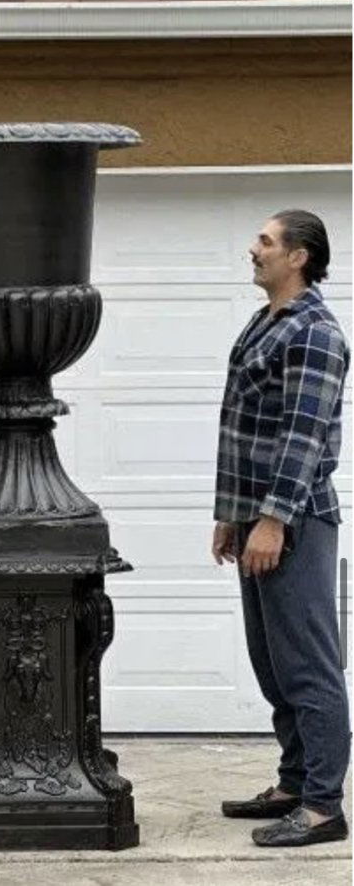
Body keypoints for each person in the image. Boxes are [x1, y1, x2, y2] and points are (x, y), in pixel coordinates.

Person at [213, 209, 350, 847]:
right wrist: (232, 515)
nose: (254, 249)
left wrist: (271, 521)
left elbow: (303, 437)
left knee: (308, 665)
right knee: (271, 663)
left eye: (265, 241)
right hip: (257, 519)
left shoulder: (315, 332)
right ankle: (294, 782)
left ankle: (323, 806)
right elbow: (241, 426)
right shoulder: (266, 322)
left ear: (299, 256)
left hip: (294, 520)